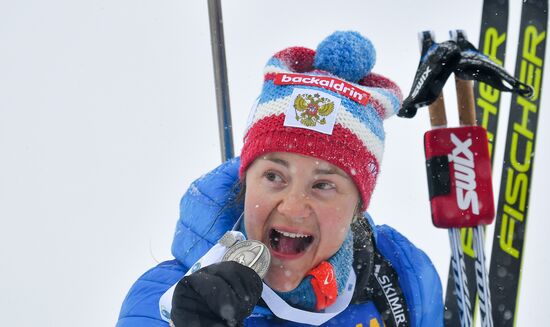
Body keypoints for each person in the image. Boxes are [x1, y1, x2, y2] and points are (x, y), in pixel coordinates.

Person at [116, 31, 444, 327]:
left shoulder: (401, 279)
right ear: (246, 183)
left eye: (323, 185)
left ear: (357, 205)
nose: (293, 207)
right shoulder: (169, 301)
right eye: (274, 176)